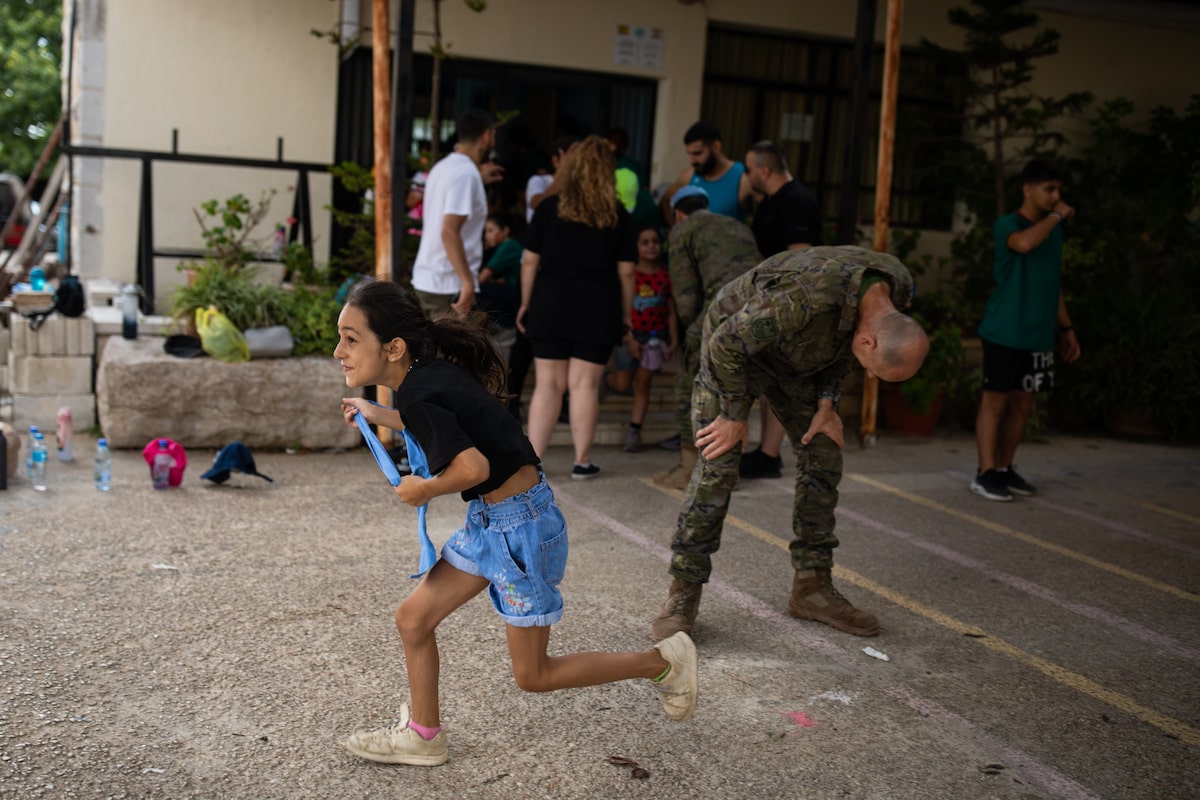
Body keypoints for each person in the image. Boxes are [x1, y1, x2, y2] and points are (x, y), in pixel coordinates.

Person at [335, 281, 698, 767]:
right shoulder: (428, 377)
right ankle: (424, 736)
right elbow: (439, 421)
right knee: (413, 619)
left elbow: (473, 468)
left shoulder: (420, 392)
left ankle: (662, 663)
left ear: (393, 347)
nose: (339, 351)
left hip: (520, 531)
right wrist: (377, 412)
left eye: (351, 338)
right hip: (492, 523)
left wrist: (423, 489)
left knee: (534, 674)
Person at [650, 247, 929, 641]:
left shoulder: (894, 288)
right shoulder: (807, 298)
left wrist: (828, 403)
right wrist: (734, 416)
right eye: (872, 370)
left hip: (797, 357)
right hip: (734, 353)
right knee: (719, 460)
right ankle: (683, 592)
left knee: (823, 450)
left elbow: (844, 339)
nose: (869, 377)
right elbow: (727, 343)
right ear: (870, 343)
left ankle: (812, 587)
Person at [517, 135, 637, 480]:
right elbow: (627, 272)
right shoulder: (618, 215)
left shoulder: (548, 209)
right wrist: (626, 314)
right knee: (584, 386)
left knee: (547, 385)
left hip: (550, 303)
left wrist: (526, 303)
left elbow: (529, 261)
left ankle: (534, 462)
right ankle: (582, 462)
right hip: (598, 307)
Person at [970, 159, 1081, 502]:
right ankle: (986, 472)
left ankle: (1005, 468)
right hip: (1005, 330)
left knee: (1023, 404)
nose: (1056, 196)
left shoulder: (1054, 231)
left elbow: (1053, 284)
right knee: (995, 402)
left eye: (1059, 190)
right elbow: (1022, 244)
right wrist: (1057, 215)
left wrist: (1067, 328)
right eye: (1049, 189)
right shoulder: (1009, 224)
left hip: (1038, 334)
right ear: (1028, 190)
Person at [653, 185, 761, 490]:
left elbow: (686, 295)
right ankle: (728, 471)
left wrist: (691, 335)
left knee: (689, 386)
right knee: (734, 390)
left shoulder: (683, 229)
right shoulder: (737, 225)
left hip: (721, 311)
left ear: (678, 213)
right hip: (759, 313)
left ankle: (689, 469)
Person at [740, 140, 826, 480]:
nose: (745, 176)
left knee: (782, 380)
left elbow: (800, 260)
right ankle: (767, 451)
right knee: (770, 376)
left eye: (748, 170)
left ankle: (770, 453)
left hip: (788, 304)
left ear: (764, 171)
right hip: (769, 300)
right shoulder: (771, 200)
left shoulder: (796, 201)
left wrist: (782, 305)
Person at [410, 108, 503, 320]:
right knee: (451, 342)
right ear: (486, 136)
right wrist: (467, 282)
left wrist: (478, 179)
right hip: (448, 285)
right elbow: (449, 231)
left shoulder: (443, 167)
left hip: (431, 279)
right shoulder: (465, 175)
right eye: (494, 136)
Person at [605, 225, 679, 453]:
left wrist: (674, 339)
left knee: (642, 383)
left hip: (655, 338)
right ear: (636, 247)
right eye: (645, 242)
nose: (651, 246)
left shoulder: (666, 275)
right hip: (629, 335)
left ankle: (634, 431)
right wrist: (629, 339)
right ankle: (607, 379)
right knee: (622, 384)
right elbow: (617, 310)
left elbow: (671, 311)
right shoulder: (628, 275)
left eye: (655, 241)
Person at [661, 121, 753, 222]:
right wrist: (674, 227)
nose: (692, 161)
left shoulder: (743, 178)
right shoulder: (688, 176)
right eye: (690, 154)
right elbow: (665, 200)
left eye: (697, 153)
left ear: (716, 147)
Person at [524, 136, 577, 224]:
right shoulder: (538, 180)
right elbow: (537, 204)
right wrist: (564, 171)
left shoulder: (577, 186)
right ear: (556, 161)